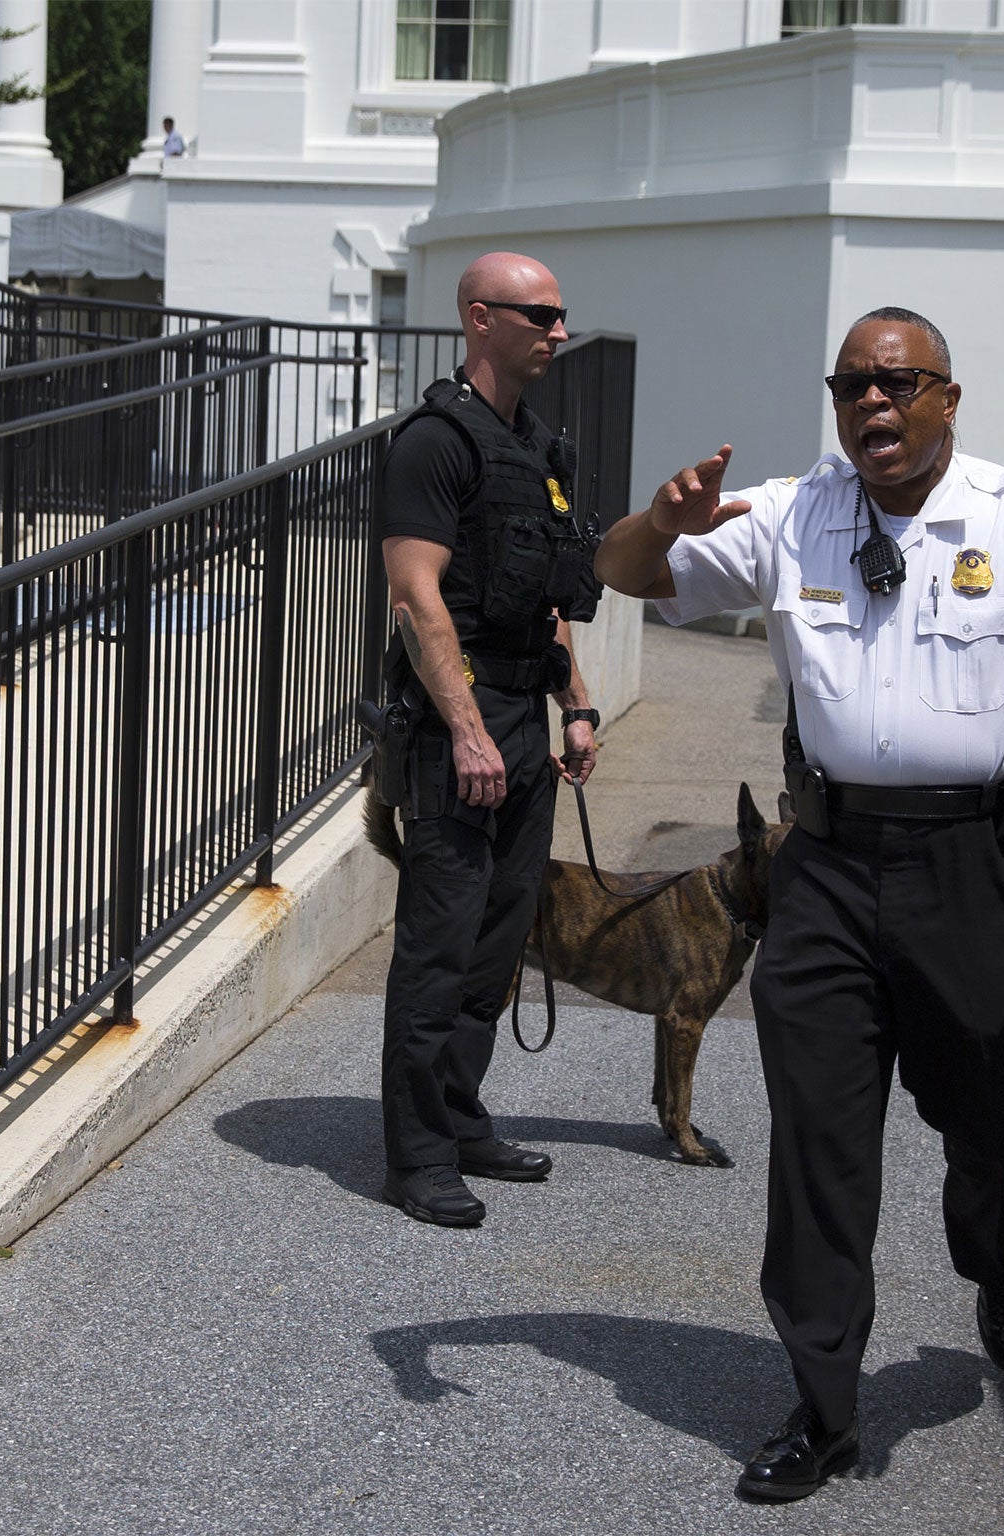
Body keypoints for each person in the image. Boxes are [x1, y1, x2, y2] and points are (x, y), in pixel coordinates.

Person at [593, 305, 1004, 1500]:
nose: (870, 406)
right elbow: (626, 576)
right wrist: (654, 523)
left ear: (946, 397)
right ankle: (824, 1406)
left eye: (896, 384)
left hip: (980, 873)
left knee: (999, 1125)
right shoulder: (790, 513)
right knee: (819, 1146)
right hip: (822, 869)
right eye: (850, 388)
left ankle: (1000, 1253)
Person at [376, 252, 603, 1228]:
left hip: (523, 722)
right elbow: (415, 595)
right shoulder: (434, 442)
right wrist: (466, 731)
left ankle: (461, 1117)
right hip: (452, 728)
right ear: (480, 316)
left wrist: (577, 705)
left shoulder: (543, 453)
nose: (558, 330)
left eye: (560, 315)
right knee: (438, 947)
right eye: (539, 314)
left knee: (497, 941)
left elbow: (553, 600)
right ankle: (418, 1157)